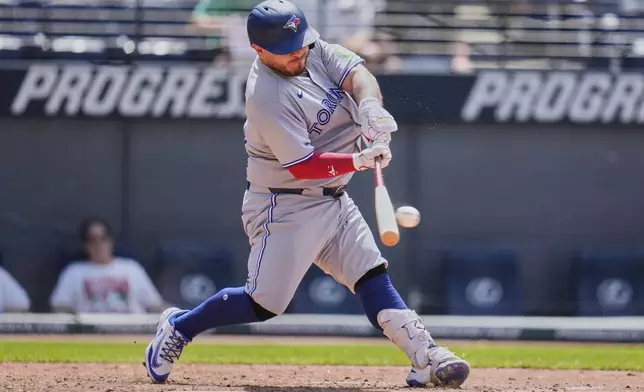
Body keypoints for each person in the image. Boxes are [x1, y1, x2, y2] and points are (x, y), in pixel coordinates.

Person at [144, 0, 470, 388]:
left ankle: (426, 357)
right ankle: (179, 327)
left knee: (370, 274)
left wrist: (369, 108)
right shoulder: (266, 96)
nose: (300, 53)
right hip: (285, 203)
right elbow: (304, 166)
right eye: (289, 50)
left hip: (334, 198)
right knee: (265, 304)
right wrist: (359, 160)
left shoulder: (313, 49)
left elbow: (358, 75)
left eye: (301, 43)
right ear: (259, 51)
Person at [50, 218, 165, 314]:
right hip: (91, 334)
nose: (98, 244)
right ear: (85, 245)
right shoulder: (74, 271)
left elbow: (154, 305)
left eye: (103, 238)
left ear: (111, 240)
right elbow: (59, 306)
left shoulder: (131, 268)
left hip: (131, 332)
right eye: (92, 240)